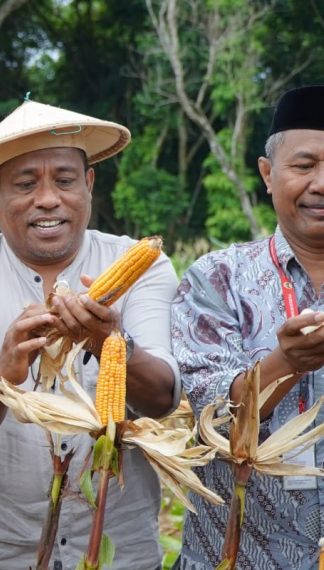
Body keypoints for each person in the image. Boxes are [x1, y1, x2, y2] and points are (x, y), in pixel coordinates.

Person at [0, 100, 180, 567]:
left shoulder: (147, 266)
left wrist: (111, 345)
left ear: (89, 184)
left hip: (119, 549)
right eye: (25, 184)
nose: (48, 199)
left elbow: (163, 398)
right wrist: (4, 372)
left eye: (64, 179)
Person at [171, 85, 324, 568]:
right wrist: (284, 365)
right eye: (304, 166)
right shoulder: (217, 278)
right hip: (235, 554)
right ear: (267, 173)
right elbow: (209, 420)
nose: (321, 183)